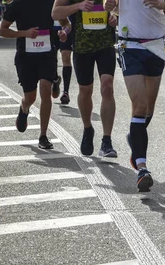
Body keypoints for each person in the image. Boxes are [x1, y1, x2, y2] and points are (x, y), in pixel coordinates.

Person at [105, 0, 165, 191]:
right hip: (130, 46)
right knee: (139, 106)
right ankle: (142, 168)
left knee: (148, 110)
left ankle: (135, 136)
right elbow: (112, 6)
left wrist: (162, 5)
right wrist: (110, 7)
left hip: (156, 46)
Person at [0, 0, 70, 149]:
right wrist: (24, 33)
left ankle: (43, 136)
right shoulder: (18, 4)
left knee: (45, 88)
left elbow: (67, 24)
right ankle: (24, 108)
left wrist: (64, 32)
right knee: (31, 97)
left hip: (47, 54)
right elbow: (2, 30)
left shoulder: (52, 3)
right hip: (25, 57)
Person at [52, 0, 119, 158]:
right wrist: (78, 6)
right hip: (82, 47)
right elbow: (55, 13)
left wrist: (114, 16)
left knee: (107, 87)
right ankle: (88, 128)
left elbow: (119, 8)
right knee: (85, 91)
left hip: (105, 45)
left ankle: (107, 141)